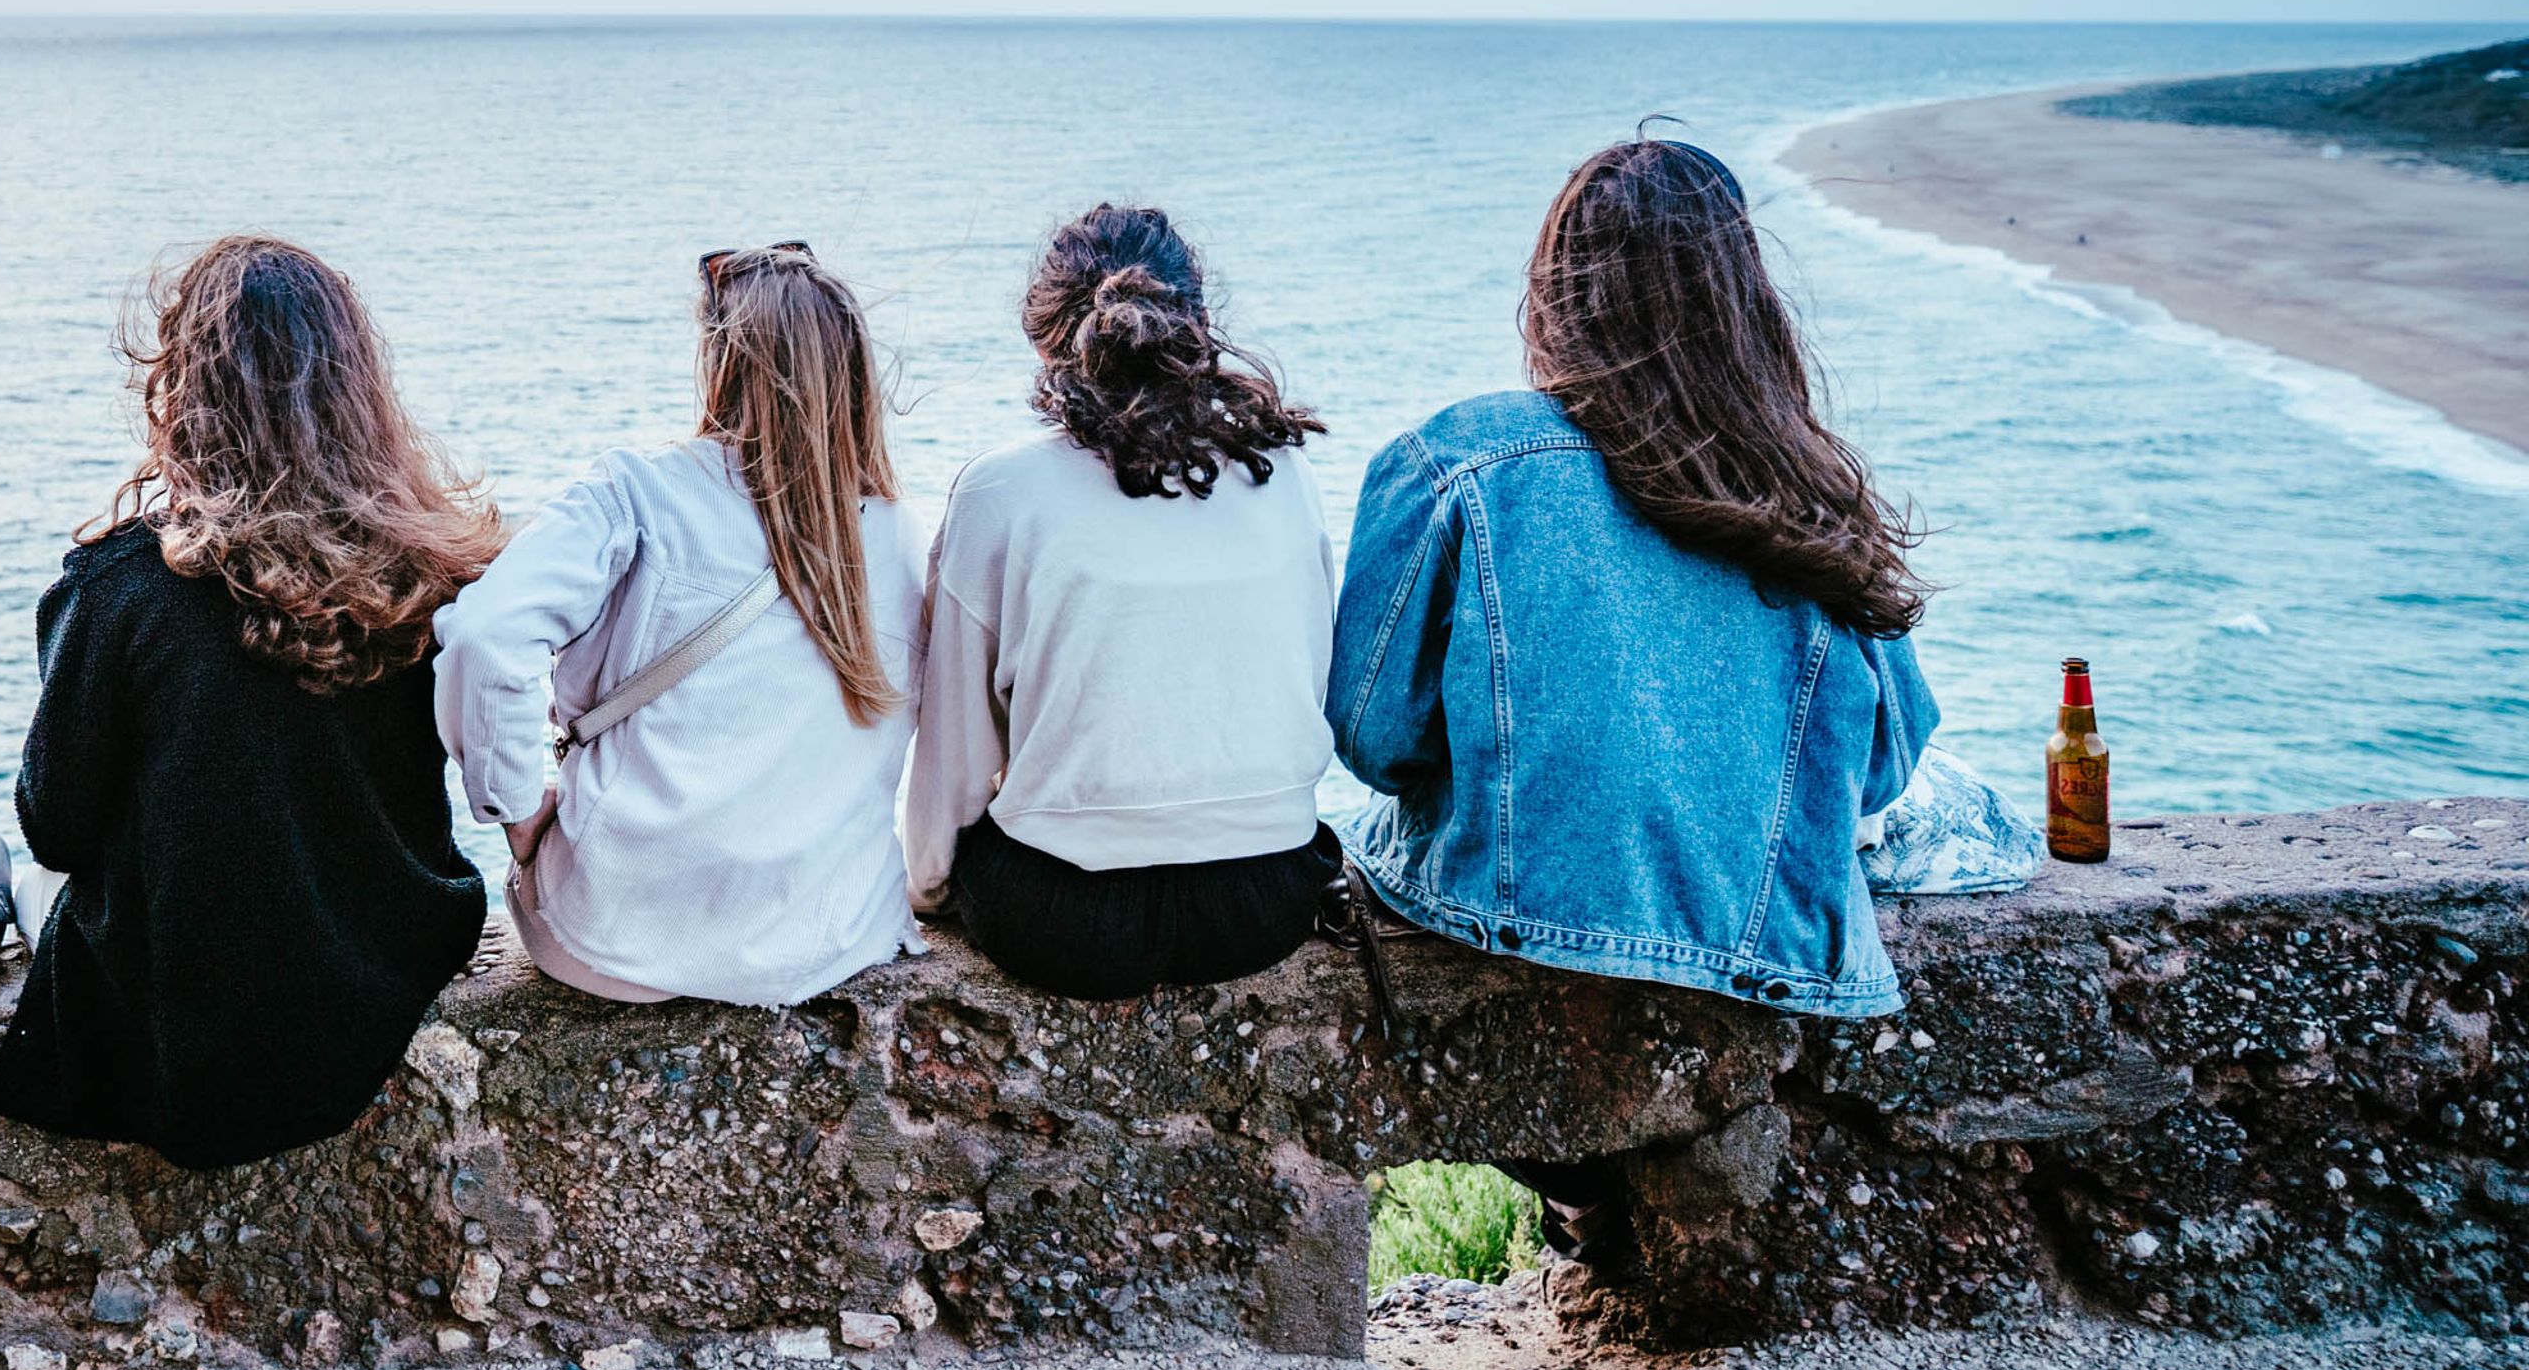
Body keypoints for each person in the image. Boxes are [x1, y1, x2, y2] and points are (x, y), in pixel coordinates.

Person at [1328, 137, 1937, 1033]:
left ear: (1557, 291)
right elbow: (1883, 766)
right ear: (1744, 298)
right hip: (1766, 961)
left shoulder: (1462, 458)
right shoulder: (1803, 486)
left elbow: (1375, 737)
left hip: (1499, 920)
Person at [0, 236, 501, 1170]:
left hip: (193, 1021)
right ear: (356, 390)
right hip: (381, 965)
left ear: (181, 391)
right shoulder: (427, 571)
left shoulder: (121, 591)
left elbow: (56, 828)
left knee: (13, 879)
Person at [435, 242, 929, 1006]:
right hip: (828, 939)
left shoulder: (636, 493)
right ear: (854, 378)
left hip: (616, 939)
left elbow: (483, 638)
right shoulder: (897, 537)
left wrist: (518, 809)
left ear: (720, 364)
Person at [905, 204, 1342, 1001]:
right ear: (1200, 324)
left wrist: (931, 893)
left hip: (1064, 917)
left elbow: (956, 753)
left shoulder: (1002, 490)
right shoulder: (1284, 473)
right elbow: (1307, 675)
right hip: (1267, 903)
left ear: (1044, 344)